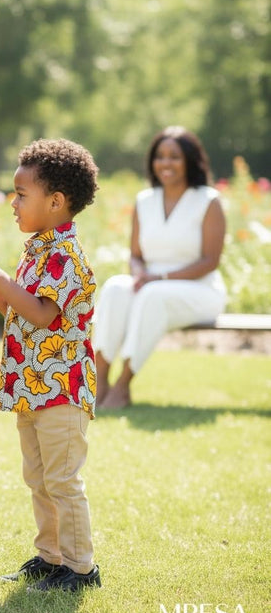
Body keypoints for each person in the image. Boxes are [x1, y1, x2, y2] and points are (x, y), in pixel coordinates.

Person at [0, 138, 102, 592]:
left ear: (56, 202)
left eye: (22, 195)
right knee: (38, 478)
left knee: (61, 479)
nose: (13, 204)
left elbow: (43, 314)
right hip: (32, 386)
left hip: (61, 389)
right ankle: (51, 557)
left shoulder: (65, 256)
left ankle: (80, 570)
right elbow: (24, 309)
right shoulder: (38, 249)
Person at [94, 125, 227, 410]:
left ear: (190, 161)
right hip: (151, 284)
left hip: (199, 291)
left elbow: (210, 261)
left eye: (174, 157)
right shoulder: (145, 201)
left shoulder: (208, 201)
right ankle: (100, 380)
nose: (166, 163)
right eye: (160, 156)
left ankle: (123, 385)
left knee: (153, 295)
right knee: (116, 286)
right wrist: (139, 273)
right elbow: (135, 254)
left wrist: (159, 277)